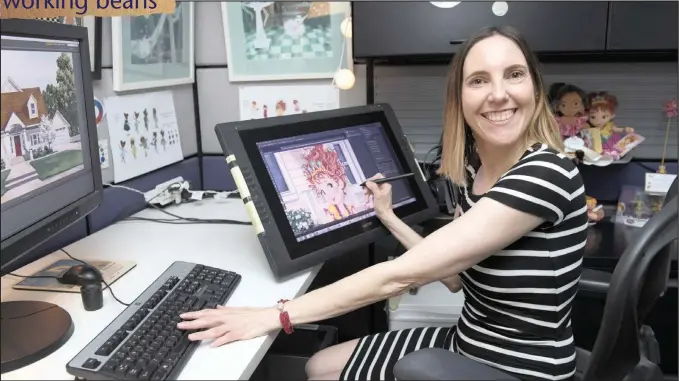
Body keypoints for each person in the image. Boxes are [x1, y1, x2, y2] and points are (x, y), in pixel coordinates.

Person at [177, 26, 588, 381]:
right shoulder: (477, 172)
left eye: (513, 75)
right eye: (478, 80)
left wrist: (274, 315)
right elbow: (452, 276)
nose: (498, 94)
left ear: (533, 86)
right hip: (470, 338)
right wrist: (389, 216)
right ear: (459, 98)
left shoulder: (544, 174)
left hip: (521, 369)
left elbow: (398, 277)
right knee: (318, 366)